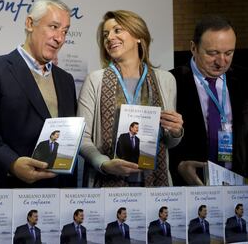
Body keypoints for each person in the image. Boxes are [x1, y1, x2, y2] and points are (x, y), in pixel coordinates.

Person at [0, 0, 77, 188]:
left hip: (57, 195)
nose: (59, 38)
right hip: (7, 190)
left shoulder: (66, 80)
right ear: (30, 24)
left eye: (65, 31)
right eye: (53, 27)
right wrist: (11, 163)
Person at [77, 10, 183, 187]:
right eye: (105, 34)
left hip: (155, 185)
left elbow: (169, 141)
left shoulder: (166, 80)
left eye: (117, 30)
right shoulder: (95, 80)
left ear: (138, 36)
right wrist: (104, 164)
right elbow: (83, 137)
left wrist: (176, 131)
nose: (110, 37)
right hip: (106, 183)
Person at [169, 15, 248, 186]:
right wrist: (179, 166)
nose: (221, 62)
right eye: (213, 53)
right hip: (187, 188)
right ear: (193, 47)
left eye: (229, 53)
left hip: (238, 189)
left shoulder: (244, 81)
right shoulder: (170, 81)